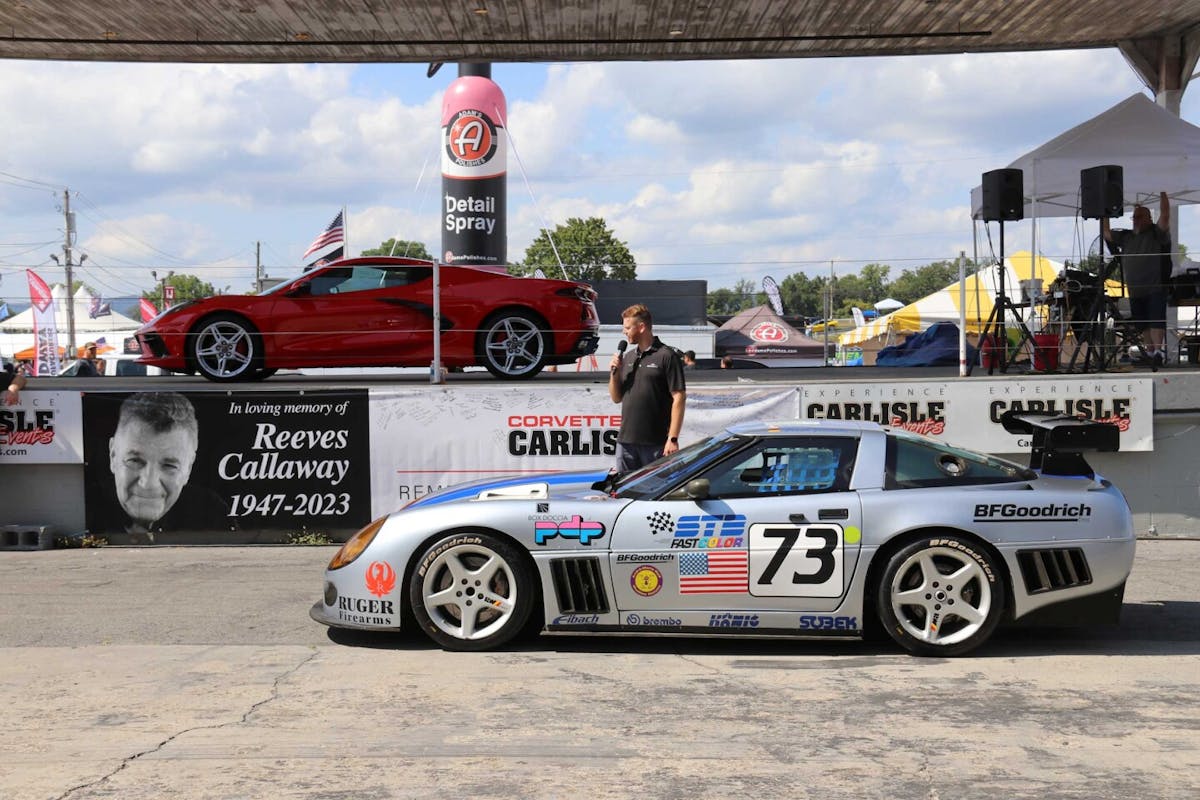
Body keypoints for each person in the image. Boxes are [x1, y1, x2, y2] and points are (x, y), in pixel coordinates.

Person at [90, 392, 231, 541]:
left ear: (188, 468)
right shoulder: (87, 509)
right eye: (135, 461)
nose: (148, 484)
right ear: (113, 456)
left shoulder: (211, 513)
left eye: (169, 466)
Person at [608, 304, 686, 471]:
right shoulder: (628, 357)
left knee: (655, 492)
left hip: (655, 444)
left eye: (628, 327)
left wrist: (672, 439)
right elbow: (616, 398)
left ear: (642, 327)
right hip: (625, 443)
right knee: (624, 493)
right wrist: (614, 372)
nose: (624, 332)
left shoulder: (666, 356)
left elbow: (679, 397)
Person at [1103, 192, 1171, 365]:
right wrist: (1104, 212)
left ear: (1149, 218)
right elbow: (1107, 234)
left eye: (1140, 217)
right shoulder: (1127, 236)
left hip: (1155, 286)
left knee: (1156, 320)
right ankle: (1150, 352)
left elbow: (1165, 216)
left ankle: (1158, 353)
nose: (1136, 220)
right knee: (1143, 324)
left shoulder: (1156, 233)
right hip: (1135, 289)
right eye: (1134, 217)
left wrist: (1164, 192)